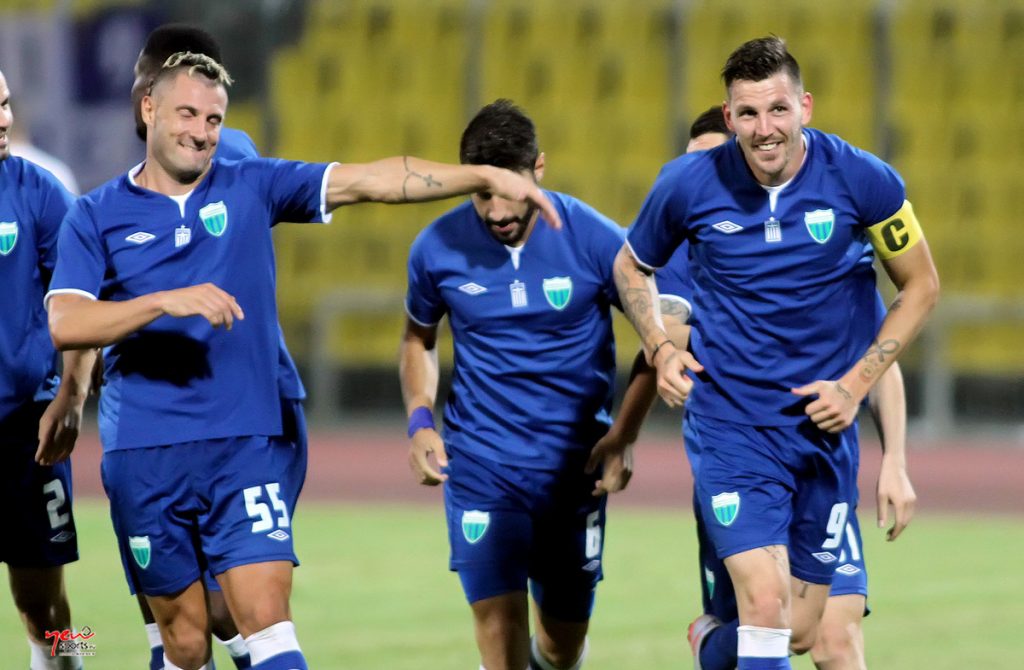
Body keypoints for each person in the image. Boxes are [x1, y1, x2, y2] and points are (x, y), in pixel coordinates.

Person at [46, 54, 561, 670]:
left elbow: (374, 180)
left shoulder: (251, 184)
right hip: (143, 452)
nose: (201, 132)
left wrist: (481, 176)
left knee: (266, 621)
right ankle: (61, 654)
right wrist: (161, 302)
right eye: (188, 113)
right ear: (149, 109)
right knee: (183, 644)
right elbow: (66, 323)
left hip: (243, 446)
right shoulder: (94, 213)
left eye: (214, 119)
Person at [613, 37, 939, 670]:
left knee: (804, 631)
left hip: (821, 433)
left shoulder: (863, 180)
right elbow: (631, 265)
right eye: (748, 113)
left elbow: (921, 286)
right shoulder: (687, 184)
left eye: (778, 109)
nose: (765, 129)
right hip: (731, 428)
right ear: (729, 116)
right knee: (766, 605)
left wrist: (855, 387)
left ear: (805, 107)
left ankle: (713, 643)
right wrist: (659, 346)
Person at [400, 99, 654, 670]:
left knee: (562, 648)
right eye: (481, 193)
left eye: (507, 192)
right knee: (498, 630)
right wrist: (419, 420)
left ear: (538, 168)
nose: (496, 211)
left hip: (574, 470)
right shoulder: (436, 248)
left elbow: (657, 341)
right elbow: (418, 339)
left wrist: (625, 434)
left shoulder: (595, 239)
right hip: (481, 465)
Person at [663, 107, 919, 670]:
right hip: (741, 451)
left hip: (822, 454)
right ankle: (718, 643)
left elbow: (877, 352)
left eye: (709, 159)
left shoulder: (808, 245)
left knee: (821, 635)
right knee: (768, 612)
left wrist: (895, 461)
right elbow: (663, 323)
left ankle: (712, 643)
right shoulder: (688, 242)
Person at [127, 23, 278, 670]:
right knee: (169, 625)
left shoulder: (224, 155)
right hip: (135, 420)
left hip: (226, 411)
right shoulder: (119, 194)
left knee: (219, 613)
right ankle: (61, 654)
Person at [0, 68, 96, 670]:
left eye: (6, 104)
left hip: (23, 435)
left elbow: (83, 304)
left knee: (47, 609)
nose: (4, 120)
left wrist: (73, 397)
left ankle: (73, 661)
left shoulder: (40, 191)